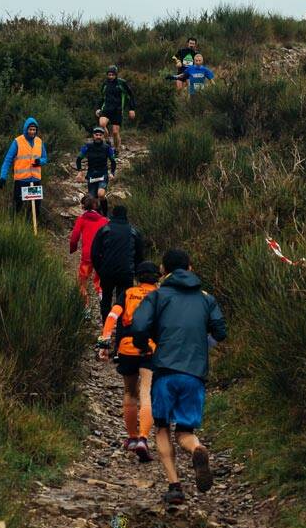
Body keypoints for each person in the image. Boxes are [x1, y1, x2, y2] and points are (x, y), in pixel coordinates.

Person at [131, 248, 227, 507]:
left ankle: (175, 486)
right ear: (191, 268)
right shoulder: (207, 299)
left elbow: (138, 325)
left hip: (164, 371)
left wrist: (143, 345)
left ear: (164, 271)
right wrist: (202, 346)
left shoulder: (158, 295)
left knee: (162, 427)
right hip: (194, 374)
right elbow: (220, 331)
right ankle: (197, 449)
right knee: (185, 431)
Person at [96, 261, 160, 462]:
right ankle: (143, 438)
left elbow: (112, 316)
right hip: (151, 348)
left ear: (138, 277)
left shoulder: (128, 293)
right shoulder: (161, 296)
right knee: (147, 392)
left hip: (127, 347)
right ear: (157, 278)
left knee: (129, 392)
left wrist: (104, 341)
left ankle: (132, 438)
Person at [91, 205, 144, 321]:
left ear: (113, 214)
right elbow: (140, 255)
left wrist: (100, 270)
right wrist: (135, 271)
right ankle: (121, 328)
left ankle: (106, 327)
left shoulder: (104, 230)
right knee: (124, 300)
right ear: (126, 215)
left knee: (106, 298)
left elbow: (94, 253)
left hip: (107, 272)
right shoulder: (133, 231)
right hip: (126, 272)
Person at [0, 117, 47, 215]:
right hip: (21, 181)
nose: (32, 132)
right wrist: (3, 177)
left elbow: (45, 158)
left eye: (34, 129)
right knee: (17, 207)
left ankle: (34, 228)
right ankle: (16, 226)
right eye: (30, 129)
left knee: (36, 210)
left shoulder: (39, 141)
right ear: (26, 129)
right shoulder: (17, 142)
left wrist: (39, 162)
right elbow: (7, 160)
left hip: (35, 180)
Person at [69, 195, 108, 311]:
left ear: (84, 206)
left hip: (87, 255)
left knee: (82, 281)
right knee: (100, 281)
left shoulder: (81, 219)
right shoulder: (104, 220)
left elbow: (74, 236)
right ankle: (103, 302)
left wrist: (73, 248)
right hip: (101, 255)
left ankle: (86, 308)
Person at [76, 127, 116, 216]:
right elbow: (78, 159)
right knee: (92, 199)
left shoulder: (107, 147)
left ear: (103, 136)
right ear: (93, 136)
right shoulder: (87, 146)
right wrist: (79, 172)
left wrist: (112, 173)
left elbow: (113, 161)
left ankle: (105, 215)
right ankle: (97, 216)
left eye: (100, 135)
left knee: (101, 194)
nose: (98, 136)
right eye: (96, 135)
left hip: (103, 174)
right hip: (91, 175)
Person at [96, 65, 136, 153]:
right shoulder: (105, 84)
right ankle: (107, 141)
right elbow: (102, 97)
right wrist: (98, 108)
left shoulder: (121, 83)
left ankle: (117, 149)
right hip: (106, 109)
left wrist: (131, 109)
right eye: (109, 75)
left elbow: (130, 95)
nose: (110, 77)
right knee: (102, 124)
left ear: (116, 75)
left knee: (115, 132)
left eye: (112, 75)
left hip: (117, 110)